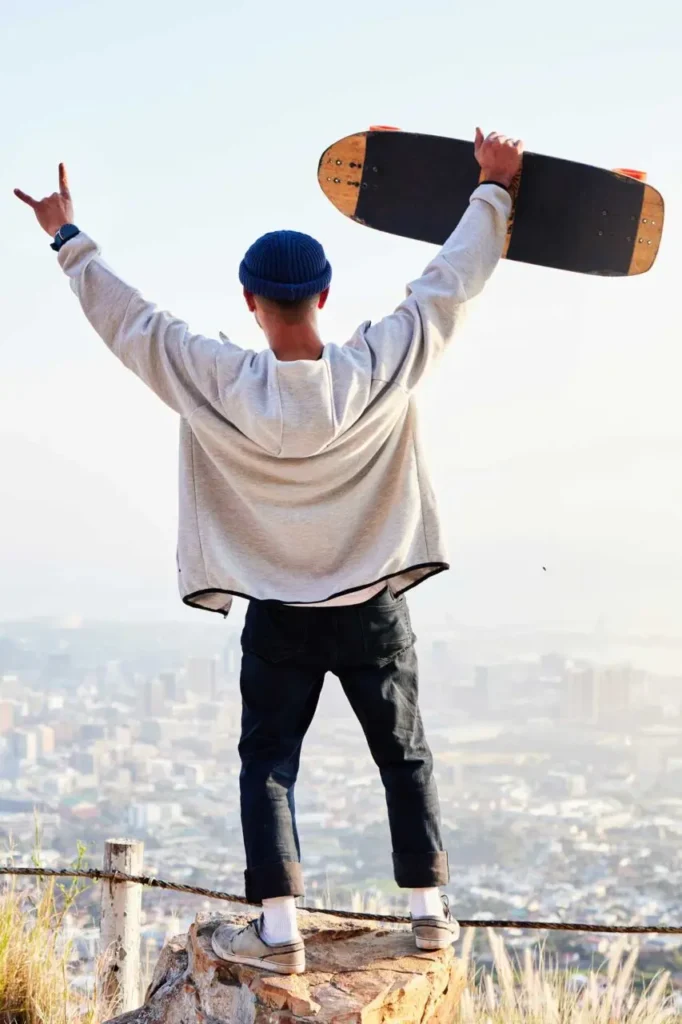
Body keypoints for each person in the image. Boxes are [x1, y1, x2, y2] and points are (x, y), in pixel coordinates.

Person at [15, 127, 523, 976]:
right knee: (404, 754)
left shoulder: (213, 380)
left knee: (270, 766)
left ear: (250, 300)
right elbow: (448, 285)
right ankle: (431, 913)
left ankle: (278, 930)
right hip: (374, 607)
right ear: (324, 294)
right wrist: (496, 188)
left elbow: (130, 322)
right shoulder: (378, 365)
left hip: (279, 613)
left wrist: (69, 239)